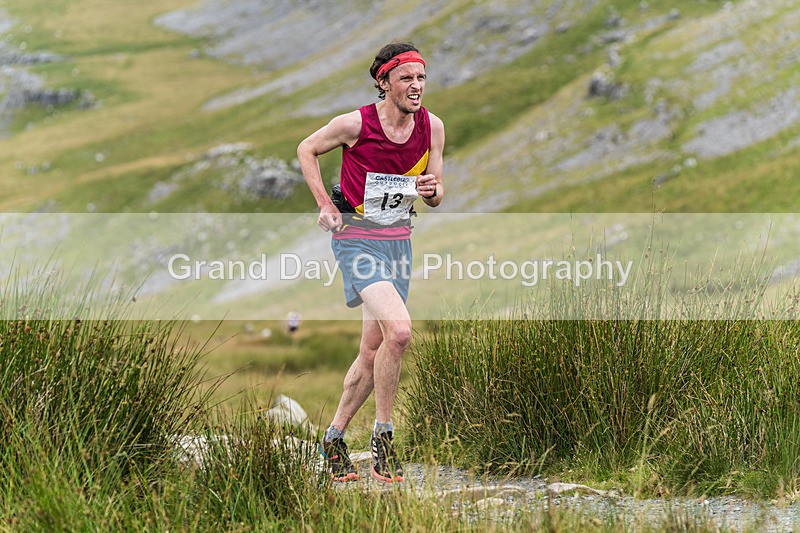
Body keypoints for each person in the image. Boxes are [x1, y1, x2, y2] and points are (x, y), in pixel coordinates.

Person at [296, 42, 444, 483]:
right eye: (406, 79)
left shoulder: (432, 127)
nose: (416, 86)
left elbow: (437, 197)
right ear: (384, 82)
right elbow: (306, 149)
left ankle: (334, 438)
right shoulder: (354, 123)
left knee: (372, 348)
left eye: (421, 78)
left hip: (399, 239)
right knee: (399, 332)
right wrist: (325, 203)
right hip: (356, 238)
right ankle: (383, 438)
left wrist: (433, 190)